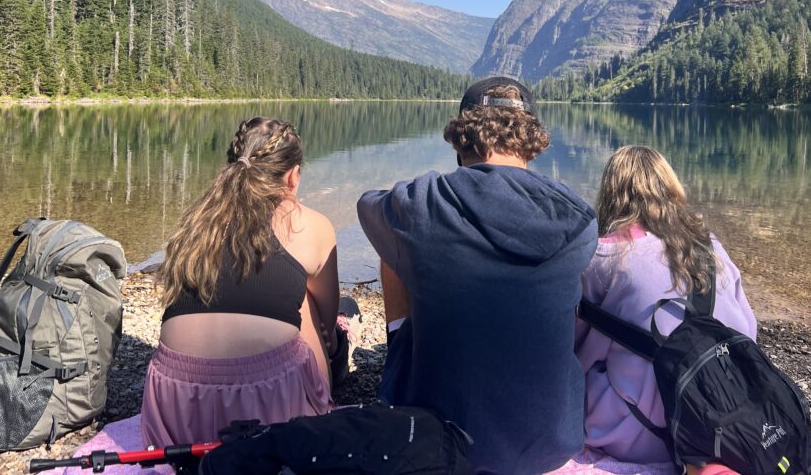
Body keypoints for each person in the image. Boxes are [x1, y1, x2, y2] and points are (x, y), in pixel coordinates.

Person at [357, 77, 598, 475]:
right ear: (530, 141)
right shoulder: (578, 218)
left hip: (439, 439)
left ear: (460, 140)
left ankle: (402, 357)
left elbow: (368, 205)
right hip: (549, 446)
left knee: (396, 250)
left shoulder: (425, 203)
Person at [141, 117, 341, 447]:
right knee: (303, 297)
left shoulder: (198, 220)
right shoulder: (309, 224)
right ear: (291, 177)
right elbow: (328, 317)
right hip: (269, 406)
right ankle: (320, 408)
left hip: (175, 404)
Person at [575, 145, 756, 472]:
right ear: (669, 188)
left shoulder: (602, 257)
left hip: (637, 435)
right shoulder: (710, 246)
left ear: (611, 192)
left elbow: (577, 350)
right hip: (718, 423)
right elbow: (748, 331)